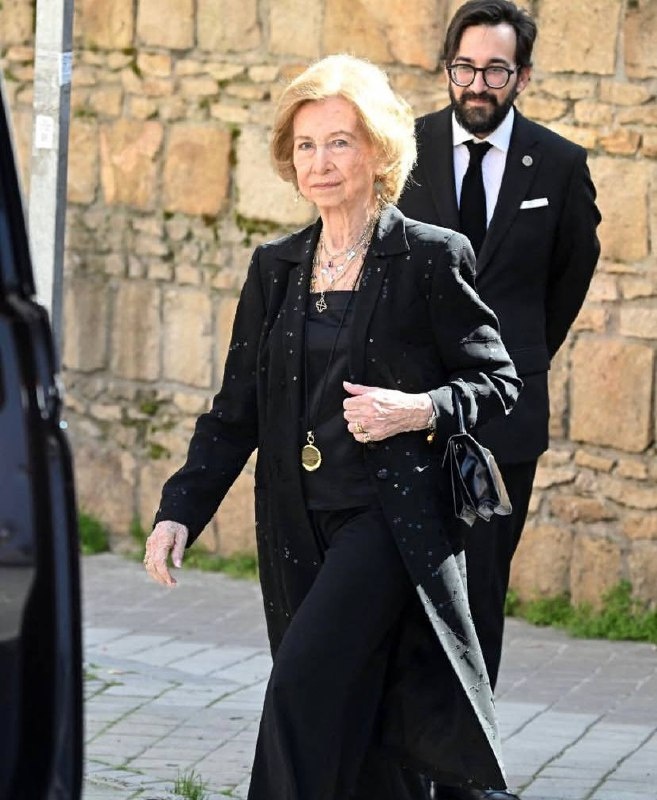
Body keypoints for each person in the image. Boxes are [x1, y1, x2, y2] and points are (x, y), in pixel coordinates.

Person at [144, 54, 523, 800]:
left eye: (339, 142)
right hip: (297, 521)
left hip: (389, 521)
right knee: (363, 718)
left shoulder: (428, 257)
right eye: (306, 145)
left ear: (378, 151)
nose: (320, 162)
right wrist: (178, 511)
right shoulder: (275, 268)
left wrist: (419, 408)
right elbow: (235, 411)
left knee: (300, 685)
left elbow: (497, 381)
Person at [399, 0, 601, 722]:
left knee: (480, 588)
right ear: (446, 68)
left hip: (503, 422)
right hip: (406, 411)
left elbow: (569, 278)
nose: (477, 84)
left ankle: (469, 755)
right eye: (465, 67)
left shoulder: (560, 164)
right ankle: (399, 752)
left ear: (522, 76)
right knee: (397, 583)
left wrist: (511, 363)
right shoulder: (404, 149)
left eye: (495, 70)